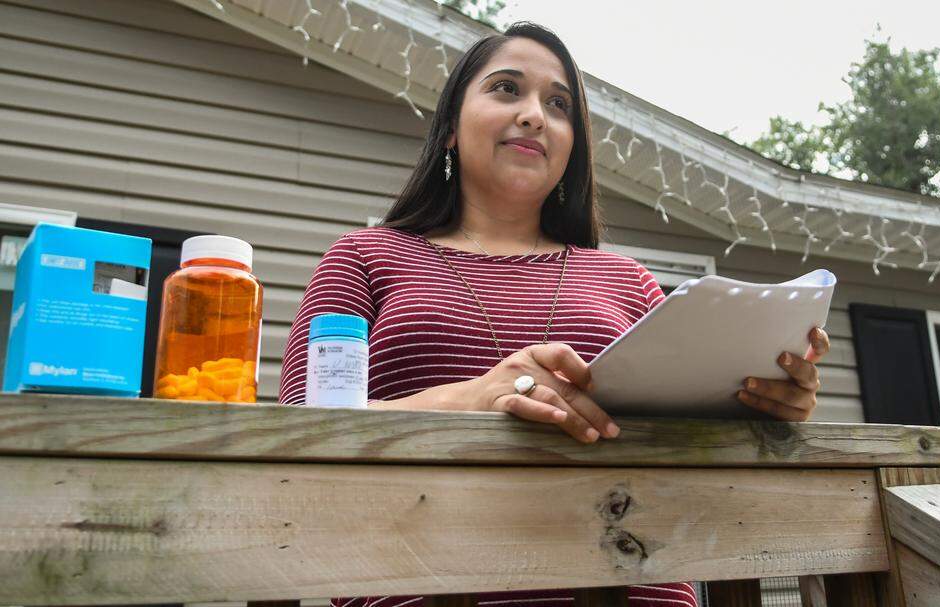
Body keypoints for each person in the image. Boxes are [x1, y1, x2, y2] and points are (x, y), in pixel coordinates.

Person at [280, 21, 830, 607]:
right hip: (425, 586)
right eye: (506, 89)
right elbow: (290, 443)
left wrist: (768, 407)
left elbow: (703, 465)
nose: (535, 114)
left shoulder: (628, 280)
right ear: (447, 131)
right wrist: (474, 398)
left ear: (572, 149)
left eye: (559, 103)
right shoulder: (366, 257)